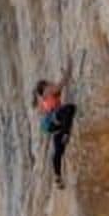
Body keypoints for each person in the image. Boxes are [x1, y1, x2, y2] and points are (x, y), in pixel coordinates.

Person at [34, 60, 76, 189]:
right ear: (45, 87)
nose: (50, 83)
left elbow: (57, 92)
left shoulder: (43, 99)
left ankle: (57, 177)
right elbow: (61, 85)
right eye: (48, 83)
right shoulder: (48, 91)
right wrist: (69, 68)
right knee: (70, 108)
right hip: (55, 120)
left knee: (58, 150)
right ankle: (66, 133)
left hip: (53, 126)